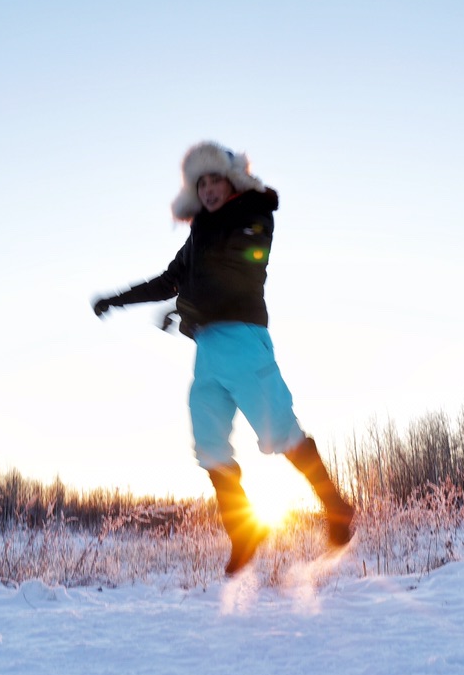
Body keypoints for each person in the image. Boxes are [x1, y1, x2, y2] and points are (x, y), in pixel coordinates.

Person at [93, 141, 354, 575]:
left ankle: (336, 508)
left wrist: (185, 307)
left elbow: (238, 270)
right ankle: (243, 532)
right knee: (210, 445)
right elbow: (169, 280)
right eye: (202, 183)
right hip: (208, 352)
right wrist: (117, 300)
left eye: (215, 180)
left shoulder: (252, 215)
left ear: (230, 181)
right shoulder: (199, 234)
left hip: (243, 340)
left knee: (281, 433)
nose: (209, 189)